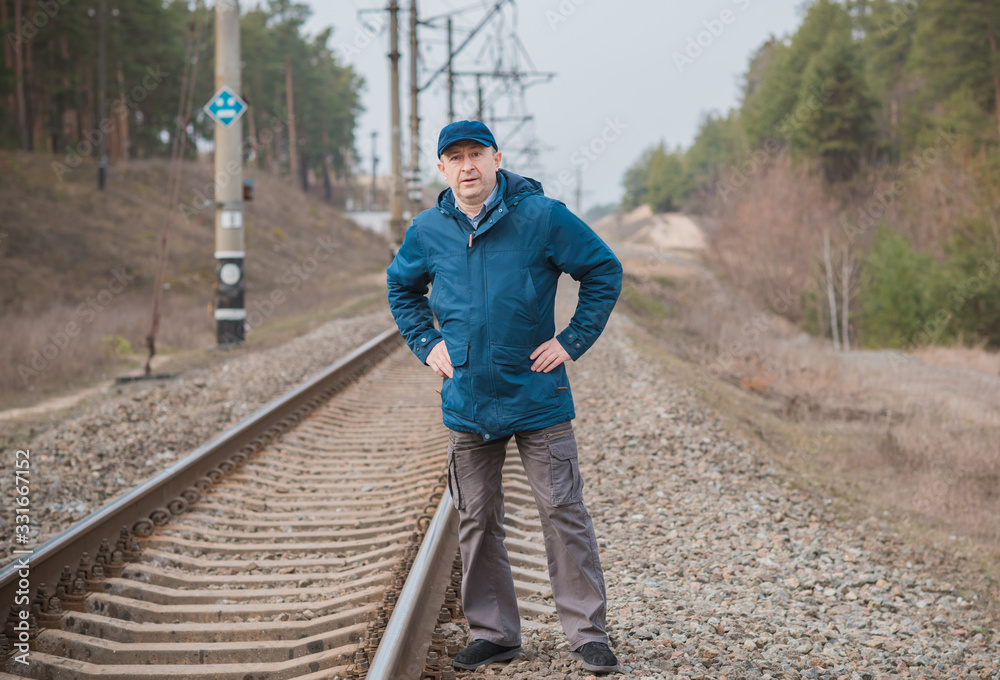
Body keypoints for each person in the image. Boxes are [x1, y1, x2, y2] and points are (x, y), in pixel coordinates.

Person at [386, 120, 623, 675]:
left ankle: (588, 633)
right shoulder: (427, 230)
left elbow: (603, 271)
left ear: (496, 158)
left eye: (476, 154)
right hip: (468, 400)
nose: (467, 166)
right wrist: (427, 344)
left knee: (563, 511)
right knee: (476, 519)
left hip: (537, 394)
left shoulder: (542, 217)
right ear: (441, 169)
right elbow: (401, 288)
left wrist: (570, 341)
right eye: (455, 158)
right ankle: (495, 634)